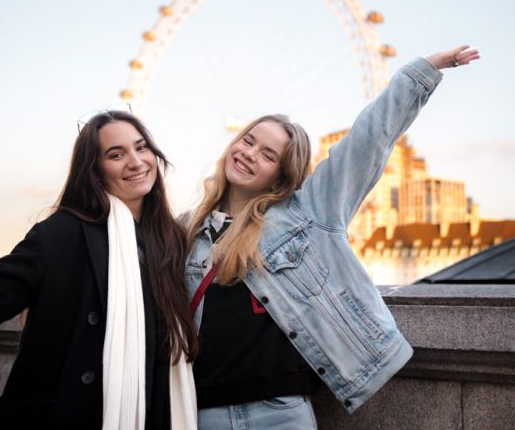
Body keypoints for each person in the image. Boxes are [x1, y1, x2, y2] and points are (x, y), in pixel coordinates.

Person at [184, 46, 480, 429]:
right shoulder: (187, 230)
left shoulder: (306, 214)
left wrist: (422, 72)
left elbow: (368, 141)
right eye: (249, 140)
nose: (249, 154)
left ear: (281, 175)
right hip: (202, 412)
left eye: (268, 154)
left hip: (281, 412)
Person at [0, 111, 200, 429]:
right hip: (71, 414)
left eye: (141, 147)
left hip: (154, 412)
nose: (135, 162)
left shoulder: (171, 240)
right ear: (94, 170)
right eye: (116, 154)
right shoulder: (63, 233)